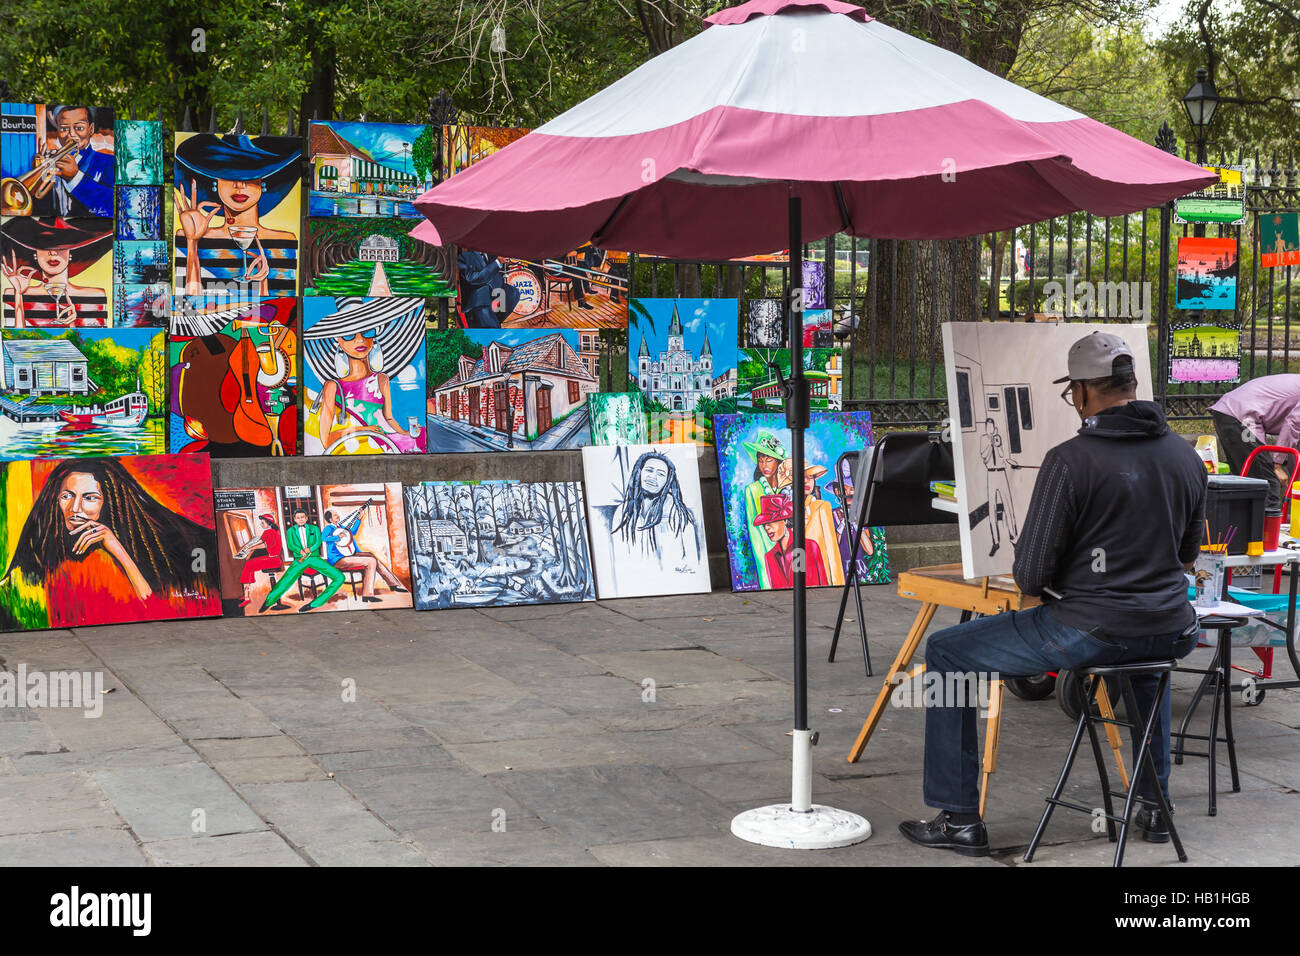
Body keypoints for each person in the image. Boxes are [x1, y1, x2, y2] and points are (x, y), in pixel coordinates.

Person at [898, 331, 1205, 857]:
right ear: (1131, 385)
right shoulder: (1185, 455)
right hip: (1172, 626)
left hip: (1092, 627)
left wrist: (1065, 582)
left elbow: (1032, 574)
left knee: (948, 653)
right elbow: (1186, 554)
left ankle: (959, 819)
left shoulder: (1070, 460)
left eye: (1073, 393)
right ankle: (1154, 807)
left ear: (1084, 391)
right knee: (1146, 667)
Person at [1, 459, 215, 628]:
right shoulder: (44, 542)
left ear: (110, 503)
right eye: (67, 495)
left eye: (90, 498)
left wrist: (114, 546)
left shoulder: (144, 544)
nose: (75, 508)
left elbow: (153, 607)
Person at [172, 133, 300, 301]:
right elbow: (188, 308)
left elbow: (280, 315)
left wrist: (262, 284)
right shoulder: (188, 236)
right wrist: (192, 244)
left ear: (263, 182)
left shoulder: (284, 242)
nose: (239, 185)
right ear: (215, 182)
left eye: (250, 177)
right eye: (229, 175)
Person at [1209, 374, 1300, 514]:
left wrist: (1295, 482)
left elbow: (1296, 445)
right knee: (1267, 481)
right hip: (1240, 415)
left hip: (1231, 411)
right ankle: (1264, 531)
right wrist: (1277, 464)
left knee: (1247, 479)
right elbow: (1292, 425)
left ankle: (1237, 524)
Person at [1, 218, 111, 327]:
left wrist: (72, 325)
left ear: (70, 253)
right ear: (35, 253)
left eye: (62, 247)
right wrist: (19, 296)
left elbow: (95, 343)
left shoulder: (95, 297)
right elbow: (14, 340)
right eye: (44, 245)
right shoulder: (13, 295)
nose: (53, 253)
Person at [611, 450, 702, 566]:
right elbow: (618, 558)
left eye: (661, 474)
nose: (653, 477)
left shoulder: (677, 513)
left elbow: (692, 559)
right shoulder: (622, 512)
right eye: (649, 470)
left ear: (667, 482)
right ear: (639, 472)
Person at [259, 510, 345, 613]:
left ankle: (314, 604)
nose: (300, 519)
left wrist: (310, 549)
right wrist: (300, 551)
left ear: (306, 518)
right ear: (295, 519)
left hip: (314, 558)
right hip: (300, 560)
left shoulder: (314, 528)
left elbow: (318, 542)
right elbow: (291, 545)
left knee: (340, 577)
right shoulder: (290, 531)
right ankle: (268, 601)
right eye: (298, 517)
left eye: (302, 517)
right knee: (286, 580)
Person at [36, 105, 115, 219]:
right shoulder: (51, 160)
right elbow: (42, 211)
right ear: (58, 131)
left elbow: (112, 206)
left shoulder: (109, 162)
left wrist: (75, 177)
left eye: (79, 128)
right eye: (64, 129)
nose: (71, 135)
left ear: (91, 129)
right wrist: (39, 176)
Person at [777, 460, 842, 586]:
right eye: (801, 477)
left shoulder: (821, 507)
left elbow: (831, 550)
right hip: (796, 577)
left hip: (822, 576)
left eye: (811, 477)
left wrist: (837, 583)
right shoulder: (783, 513)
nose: (807, 481)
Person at [321, 507, 406, 601]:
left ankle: (393, 584)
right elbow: (323, 538)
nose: (338, 516)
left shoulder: (341, 526)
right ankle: (368, 595)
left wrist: (359, 519)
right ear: (330, 519)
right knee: (371, 561)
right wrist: (337, 537)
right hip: (338, 559)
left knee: (372, 556)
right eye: (335, 515)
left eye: (337, 514)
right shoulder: (328, 528)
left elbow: (352, 532)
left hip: (350, 554)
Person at [741, 432, 789, 589]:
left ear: (778, 461)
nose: (764, 465)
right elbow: (755, 533)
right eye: (760, 461)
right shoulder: (752, 490)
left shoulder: (789, 486)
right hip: (767, 551)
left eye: (769, 460)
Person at [752, 494, 829, 589]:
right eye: (764, 524)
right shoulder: (770, 557)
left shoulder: (807, 546)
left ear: (785, 520)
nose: (766, 527)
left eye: (771, 521)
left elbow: (823, 585)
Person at [980, 417, 1021, 557]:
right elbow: (984, 457)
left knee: (1008, 506)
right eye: (988, 427)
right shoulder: (983, 439)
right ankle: (995, 541)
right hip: (991, 474)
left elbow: (1003, 456)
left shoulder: (999, 438)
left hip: (1001, 473)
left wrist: (998, 445)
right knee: (992, 508)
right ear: (986, 428)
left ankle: (1014, 538)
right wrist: (990, 444)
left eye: (992, 427)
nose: (990, 429)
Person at [458, 250, 520, 327]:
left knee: (513, 292)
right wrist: (497, 262)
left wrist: (505, 263)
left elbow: (497, 274)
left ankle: (493, 321)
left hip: (495, 296)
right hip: (479, 299)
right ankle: (490, 324)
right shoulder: (464, 257)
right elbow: (473, 279)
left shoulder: (491, 255)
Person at [237, 514, 284, 608]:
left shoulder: (270, 532)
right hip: (273, 558)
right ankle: (246, 595)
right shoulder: (269, 532)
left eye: (263, 523)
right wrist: (250, 546)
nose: (261, 524)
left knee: (249, 565)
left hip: (273, 560)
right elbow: (261, 541)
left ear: (269, 523)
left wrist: (250, 547)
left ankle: (247, 597)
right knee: (249, 565)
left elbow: (264, 545)